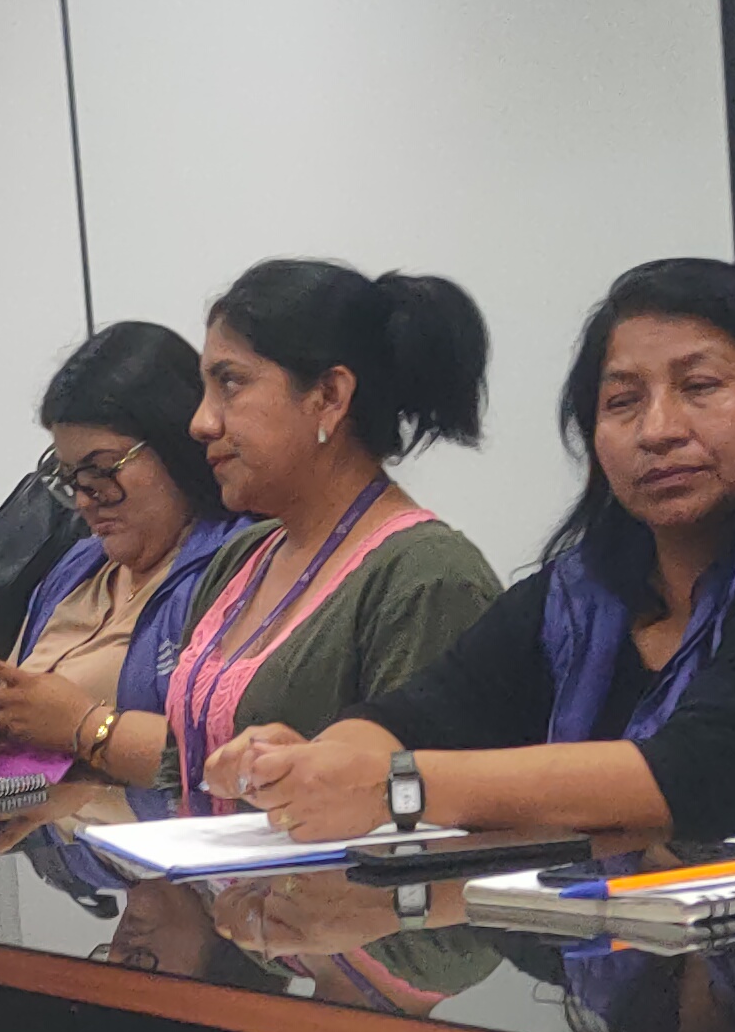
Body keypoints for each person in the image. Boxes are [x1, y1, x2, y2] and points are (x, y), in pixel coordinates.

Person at [230, 259, 735, 858]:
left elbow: (709, 779)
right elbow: (433, 710)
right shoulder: (587, 591)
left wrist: (397, 787)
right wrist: (319, 760)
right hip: (686, 953)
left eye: (701, 387)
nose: (658, 430)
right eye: (623, 401)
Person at [168, 263, 508, 808]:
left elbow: (430, 810)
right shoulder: (244, 556)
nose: (201, 423)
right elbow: (178, 767)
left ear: (329, 396)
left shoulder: (429, 577)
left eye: (230, 383)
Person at [0, 322, 235, 795]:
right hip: (61, 833)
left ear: (177, 446)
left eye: (102, 470)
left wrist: (85, 726)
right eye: (70, 476)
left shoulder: (237, 565)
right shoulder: (76, 569)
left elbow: (231, 757)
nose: (83, 499)